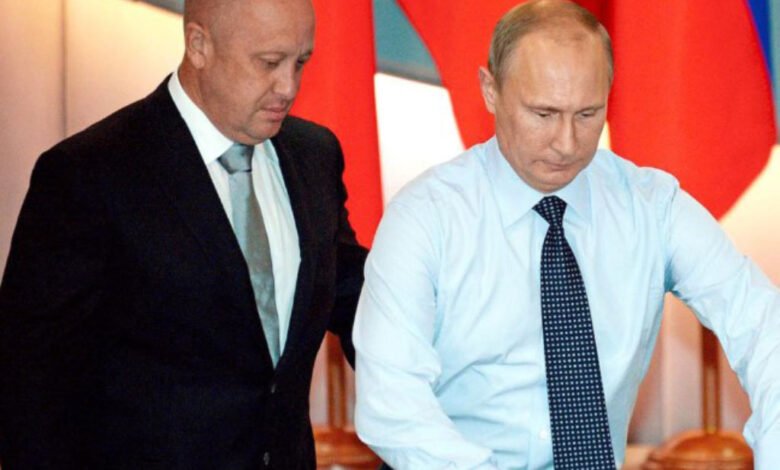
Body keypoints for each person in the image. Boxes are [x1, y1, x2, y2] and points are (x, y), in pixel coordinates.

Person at [352, 0, 780, 469]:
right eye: (543, 114)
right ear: (491, 90)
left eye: (587, 114)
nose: (567, 143)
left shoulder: (652, 206)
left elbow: (762, 326)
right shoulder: (425, 217)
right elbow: (392, 403)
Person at [0, 0, 367, 468]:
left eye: (301, 62)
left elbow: (354, 297)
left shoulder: (315, 155)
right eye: (269, 63)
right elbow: (30, 383)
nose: (288, 87)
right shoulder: (89, 173)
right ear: (198, 45)